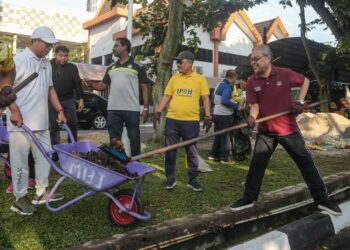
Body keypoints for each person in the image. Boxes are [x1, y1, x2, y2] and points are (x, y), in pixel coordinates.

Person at [230, 44, 342, 216]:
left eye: (256, 59)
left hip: (288, 130)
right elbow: (254, 106)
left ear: (268, 58)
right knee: (257, 165)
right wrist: (252, 118)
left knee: (306, 164)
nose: (253, 62)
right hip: (266, 132)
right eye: (251, 59)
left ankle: (322, 199)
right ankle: (249, 198)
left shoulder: (284, 73)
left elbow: (304, 81)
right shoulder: (252, 81)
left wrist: (299, 100)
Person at [7, 26, 67, 216]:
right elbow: (4, 88)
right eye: (46, 44)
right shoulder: (19, 60)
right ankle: (19, 198)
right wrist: (14, 110)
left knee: (45, 158)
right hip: (20, 123)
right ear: (34, 40)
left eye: (51, 45)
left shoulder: (46, 63)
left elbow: (50, 89)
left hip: (41, 122)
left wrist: (59, 109)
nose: (49, 48)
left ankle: (41, 192)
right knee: (20, 163)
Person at [153, 51, 212, 192]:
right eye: (177, 62)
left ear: (190, 63)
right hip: (172, 120)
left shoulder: (200, 79)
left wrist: (208, 116)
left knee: (191, 151)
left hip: (191, 122)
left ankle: (192, 179)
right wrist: (158, 111)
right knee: (170, 151)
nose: (178, 64)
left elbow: (205, 98)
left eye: (181, 61)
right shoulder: (174, 78)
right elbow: (167, 96)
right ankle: (170, 179)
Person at [83, 37, 149, 157]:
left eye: (116, 46)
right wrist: (91, 84)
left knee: (134, 139)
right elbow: (103, 86)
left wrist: (145, 109)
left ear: (125, 47)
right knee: (114, 140)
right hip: (113, 109)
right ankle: (117, 164)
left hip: (132, 109)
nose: (113, 48)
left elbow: (144, 88)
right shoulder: (111, 67)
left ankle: (136, 165)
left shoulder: (137, 66)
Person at [49, 45, 84, 146]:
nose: (63, 58)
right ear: (56, 55)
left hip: (68, 100)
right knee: (53, 126)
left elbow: (77, 84)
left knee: (72, 125)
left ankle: (73, 147)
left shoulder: (72, 68)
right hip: (51, 101)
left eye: (65, 56)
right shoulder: (48, 65)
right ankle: (54, 150)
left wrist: (81, 99)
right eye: (61, 56)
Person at [208, 69, 241, 164]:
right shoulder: (227, 86)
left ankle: (213, 155)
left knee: (218, 135)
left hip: (216, 113)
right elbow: (225, 100)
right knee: (225, 136)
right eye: (236, 78)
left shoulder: (220, 84)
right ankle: (225, 158)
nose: (236, 80)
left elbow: (214, 98)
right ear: (233, 77)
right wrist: (237, 106)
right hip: (224, 114)